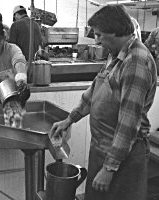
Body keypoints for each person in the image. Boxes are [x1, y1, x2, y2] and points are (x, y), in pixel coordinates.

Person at [49, 4, 157, 200]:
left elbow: (128, 124)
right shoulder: (115, 55)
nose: (96, 41)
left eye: (99, 35)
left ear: (114, 31)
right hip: (102, 148)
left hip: (123, 159)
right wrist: (69, 119)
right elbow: (94, 91)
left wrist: (109, 168)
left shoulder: (135, 62)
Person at [9, 5, 43, 82]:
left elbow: (11, 46)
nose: (15, 19)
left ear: (16, 15)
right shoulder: (36, 25)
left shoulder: (15, 25)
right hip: (34, 64)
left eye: (15, 18)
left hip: (20, 65)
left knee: (21, 86)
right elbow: (41, 44)